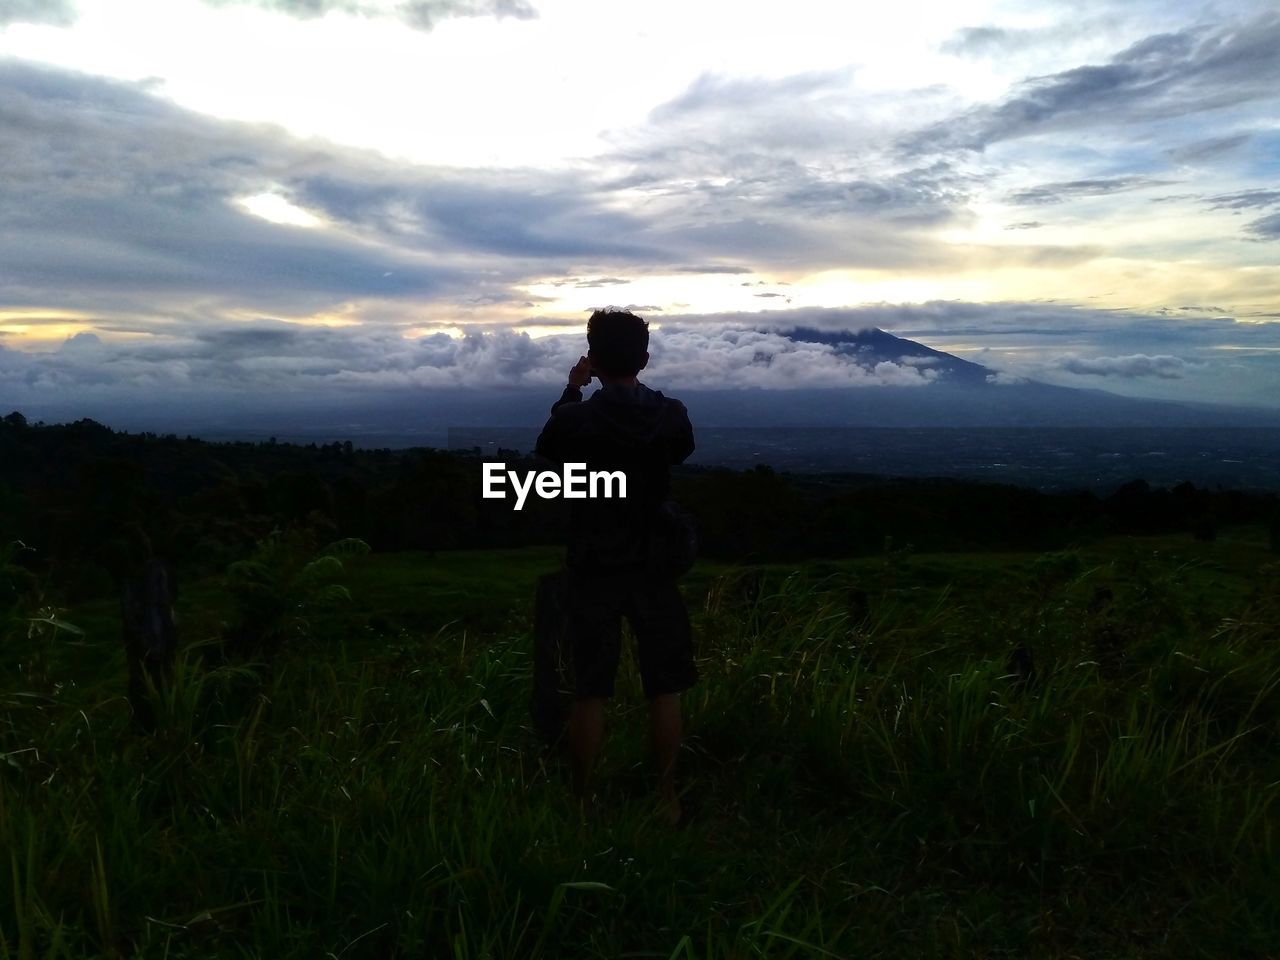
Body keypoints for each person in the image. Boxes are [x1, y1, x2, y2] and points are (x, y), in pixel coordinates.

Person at [535, 309, 697, 826]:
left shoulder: (575, 419)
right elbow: (681, 452)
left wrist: (571, 390)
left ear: (593, 359)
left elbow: (549, 453)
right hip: (655, 565)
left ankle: (581, 805)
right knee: (664, 687)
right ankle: (667, 798)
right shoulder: (671, 414)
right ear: (645, 359)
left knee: (590, 690)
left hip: (593, 566)